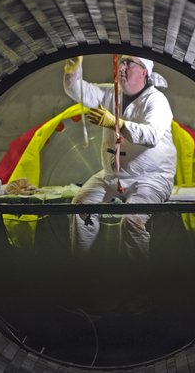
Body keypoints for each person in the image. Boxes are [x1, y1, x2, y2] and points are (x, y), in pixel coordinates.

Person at [63, 55, 176, 261]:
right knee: (80, 207)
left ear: (144, 72)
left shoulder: (156, 100)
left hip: (151, 177)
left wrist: (117, 123)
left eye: (129, 63)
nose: (122, 67)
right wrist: (72, 69)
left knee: (132, 220)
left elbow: (151, 135)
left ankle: (135, 284)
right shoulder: (111, 93)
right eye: (121, 62)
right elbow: (78, 90)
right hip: (114, 175)